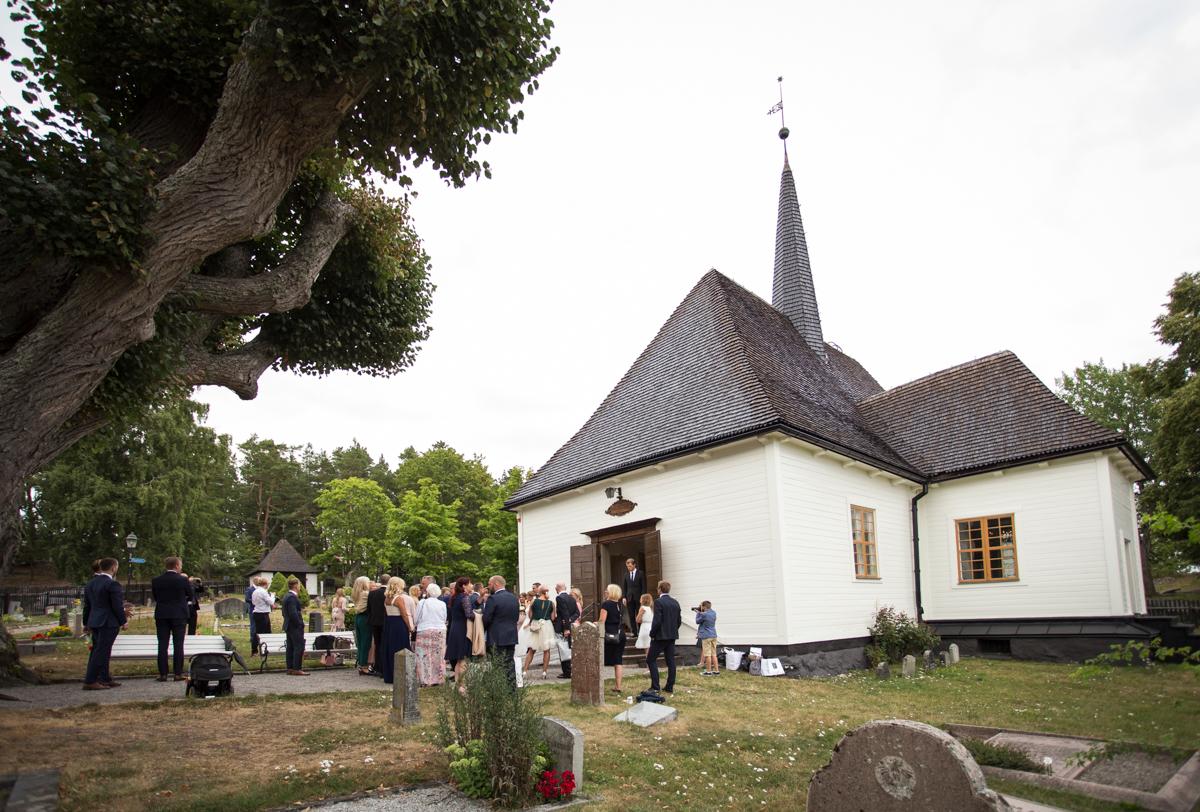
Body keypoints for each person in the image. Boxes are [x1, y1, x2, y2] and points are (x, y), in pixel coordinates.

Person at [83, 557, 127, 690]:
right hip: (108, 621)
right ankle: (90, 680)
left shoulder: (91, 583)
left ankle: (105, 678)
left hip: (94, 621)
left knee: (98, 650)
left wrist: (86, 623)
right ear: (114, 567)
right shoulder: (112, 584)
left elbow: (87, 605)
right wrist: (123, 621)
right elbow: (117, 606)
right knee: (101, 651)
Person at [151, 556, 194, 682]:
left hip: (162, 614)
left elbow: (155, 597)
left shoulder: (156, 580)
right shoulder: (182, 580)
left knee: (162, 644)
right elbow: (190, 596)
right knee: (178, 644)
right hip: (179, 614)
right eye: (180, 565)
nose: (181, 567)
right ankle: (177, 673)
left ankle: (163, 674)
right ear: (176, 566)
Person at [482, 574, 519, 690]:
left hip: (496, 636)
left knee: (497, 664)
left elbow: (486, 618)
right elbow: (516, 617)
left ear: (496, 584)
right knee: (509, 663)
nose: (488, 586)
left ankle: (499, 691)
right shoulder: (513, 598)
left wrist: (481, 629)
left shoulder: (493, 599)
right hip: (511, 635)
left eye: (489, 583)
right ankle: (512, 689)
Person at [647, 580, 681, 695]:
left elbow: (657, 621)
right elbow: (678, 621)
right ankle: (669, 686)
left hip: (660, 636)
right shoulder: (675, 602)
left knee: (650, 659)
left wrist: (652, 633)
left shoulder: (658, 602)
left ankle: (655, 686)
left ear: (659, 589)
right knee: (670, 661)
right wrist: (673, 630)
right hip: (672, 636)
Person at [380, 577, 414, 684]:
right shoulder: (399, 598)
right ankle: (402, 674)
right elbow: (404, 614)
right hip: (398, 624)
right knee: (401, 647)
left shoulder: (387, 599)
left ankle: (389, 674)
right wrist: (409, 626)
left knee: (389, 648)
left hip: (389, 624)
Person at [414, 583, 447, 685]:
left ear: (427, 592)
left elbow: (417, 617)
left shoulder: (422, 602)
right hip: (439, 630)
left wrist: (415, 624)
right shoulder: (442, 604)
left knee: (423, 655)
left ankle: (425, 679)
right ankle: (438, 678)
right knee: (438, 655)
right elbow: (444, 617)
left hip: (424, 629)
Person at [521, 585, 557, 681]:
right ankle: (544, 672)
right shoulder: (551, 603)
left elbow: (530, 614)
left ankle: (525, 671)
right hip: (547, 625)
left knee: (532, 649)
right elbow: (553, 617)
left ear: (540, 592)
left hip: (536, 624)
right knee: (546, 649)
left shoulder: (534, 601)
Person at [444, 576, 473, 685]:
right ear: (464, 586)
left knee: (458, 660)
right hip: (462, 629)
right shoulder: (464, 597)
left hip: (454, 629)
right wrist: (478, 616)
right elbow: (469, 614)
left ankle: (457, 684)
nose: (471, 585)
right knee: (463, 660)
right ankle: (462, 685)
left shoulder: (454, 597)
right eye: (470, 583)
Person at [598, 583, 625, 694]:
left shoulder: (606, 604)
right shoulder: (620, 605)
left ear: (611, 592)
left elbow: (601, 621)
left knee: (600, 660)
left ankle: (598, 685)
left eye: (607, 591)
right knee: (618, 661)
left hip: (609, 635)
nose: (605, 592)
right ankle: (618, 686)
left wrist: (596, 623)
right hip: (620, 634)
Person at [282, 576, 308, 676]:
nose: (300, 587)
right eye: (299, 585)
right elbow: (293, 613)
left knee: (290, 647)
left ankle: (290, 668)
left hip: (288, 625)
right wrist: (300, 624)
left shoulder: (286, 596)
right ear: (296, 585)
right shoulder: (292, 597)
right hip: (294, 626)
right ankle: (297, 668)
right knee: (298, 646)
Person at [553, 582, 579, 679]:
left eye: (555, 587)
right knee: (568, 648)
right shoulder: (571, 598)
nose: (555, 589)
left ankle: (567, 672)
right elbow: (577, 613)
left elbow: (564, 613)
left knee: (563, 649)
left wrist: (566, 628)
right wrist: (570, 620)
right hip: (569, 625)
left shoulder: (559, 598)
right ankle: (569, 671)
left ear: (558, 588)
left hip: (563, 627)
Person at [350, 576, 372, 674]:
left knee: (360, 641)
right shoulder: (366, 594)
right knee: (365, 642)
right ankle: (364, 665)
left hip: (358, 617)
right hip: (365, 617)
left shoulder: (356, 593)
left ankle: (360, 662)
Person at [367, 578, 387, 676]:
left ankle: (378, 666)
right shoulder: (389, 593)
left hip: (375, 622)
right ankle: (384, 667)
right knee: (385, 644)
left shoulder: (372, 593)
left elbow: (369, 609)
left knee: (377, 644)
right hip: (386, 622)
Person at [250, 576, 274, 654]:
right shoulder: (263, 592)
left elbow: (253, 602)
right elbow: (271, 602)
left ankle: (256, 649)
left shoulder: (255, 591)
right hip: (263, 613)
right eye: (268, 584)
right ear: (265, 584)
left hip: (257, 612)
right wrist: (273, 596)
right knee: (264, 633)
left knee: (258, 632)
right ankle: (260, 650)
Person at [622, 558, 646, 634]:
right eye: (627, 566)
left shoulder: (641, 573)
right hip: (629, 598)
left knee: (639, 615)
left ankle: (640, 631)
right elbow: (625, 587)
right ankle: (634, 632)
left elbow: (643, 586)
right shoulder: (626, 575)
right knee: (631, 616)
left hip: (639, 598)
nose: (629, 568)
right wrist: (624, 597)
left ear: (634, 565)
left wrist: (643, 598)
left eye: (630, 566)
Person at [695, 600, 719, 675]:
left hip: (706, 636)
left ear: (704, 607)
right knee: (714, 654)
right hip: (714, 635)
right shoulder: (714, 613)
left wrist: (698, 613)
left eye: (702, 606)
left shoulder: (704, 614)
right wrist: (701, 612)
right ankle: (716, 671)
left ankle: (708, 671)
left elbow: (697, 621)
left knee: (707, 654)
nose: (701, 607)